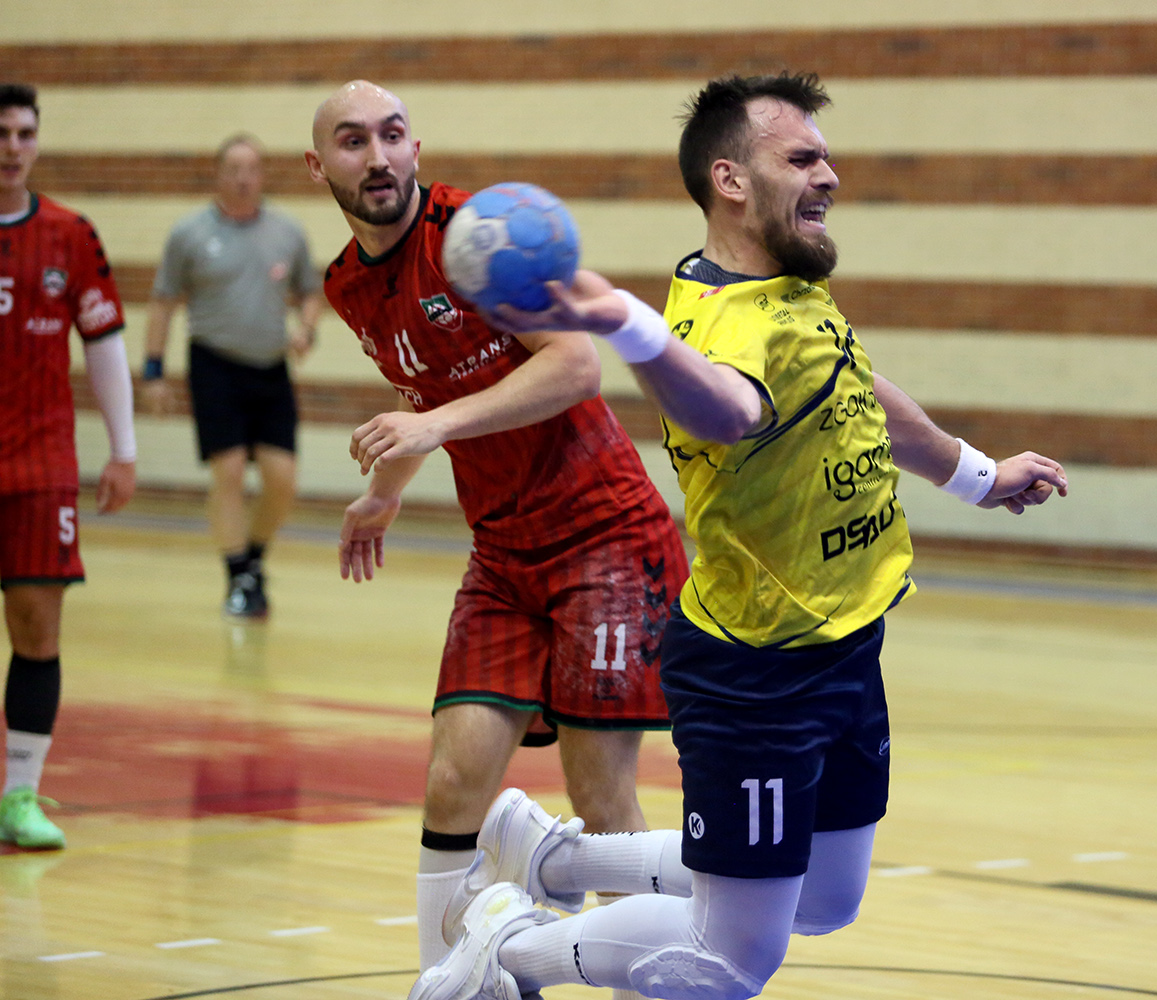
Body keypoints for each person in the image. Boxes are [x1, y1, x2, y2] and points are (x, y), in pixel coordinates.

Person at [409, 72, 1069, 1000]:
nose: (829, 175)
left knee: (825, 898)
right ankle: (506, 953)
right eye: (801, 158)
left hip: (845, 642)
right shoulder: (718, 327)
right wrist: (625, 324)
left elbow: (852, 386)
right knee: (730, 958)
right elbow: (726, 410)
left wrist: (976, 475)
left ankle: (553, 856)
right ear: (730, 179)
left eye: (825, 156)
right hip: (759, 674)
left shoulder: (782, 289)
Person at [304, 80, 690, 979]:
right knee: (453, 782)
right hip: (504, 555)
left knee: (601, 798)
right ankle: (446, 984)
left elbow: (576, 365)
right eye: (354, 141)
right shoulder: (345, 285)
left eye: (393, 135)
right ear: (318, 167)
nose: (378, 156)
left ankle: (648, 978)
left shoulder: (480, 238)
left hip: (605, 537)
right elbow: (425, 391)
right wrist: (386, 493)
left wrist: (431, 428)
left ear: (416, 146)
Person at [0, 83, 137, 850]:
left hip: (40, 465)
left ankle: (19, 797)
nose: (12, 147)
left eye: (24, 133)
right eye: (1, 133)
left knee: (37, 628)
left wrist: (124, 449)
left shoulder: (69, 235)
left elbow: (104, 343)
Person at [142, 133, 323, 619]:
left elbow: (310, 292)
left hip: (271, 368)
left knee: (282, 479)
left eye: (252, 169)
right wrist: (153, 370)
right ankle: (237, 574)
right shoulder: (190, 233)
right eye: (234, 169)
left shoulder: (287, 231)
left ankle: (253, 560)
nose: (244, 178)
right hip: (214, 364)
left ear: (262, 175)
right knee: (230, 470)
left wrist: (306, 330)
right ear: (218, 174)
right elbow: (163, 303)